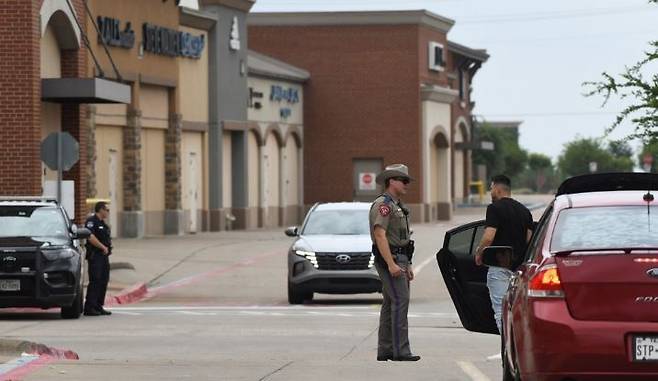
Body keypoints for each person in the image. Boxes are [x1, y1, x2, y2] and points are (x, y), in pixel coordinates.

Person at [370, 164, 420, 362]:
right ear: (391, 181)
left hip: (400, 258)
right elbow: (379, 234)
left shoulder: (397, 205)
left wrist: (407, 264)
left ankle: (385, 350)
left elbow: (403, 239)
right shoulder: (384, 205)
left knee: (390, 303)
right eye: (404, 180)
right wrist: (391, 264)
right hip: (390, 258)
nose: (407, 184)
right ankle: (401, 351)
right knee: (400, 301)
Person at [475, 175, 533, 334]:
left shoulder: (494, 208)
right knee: (518, 312)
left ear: (498, 189)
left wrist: (479, 253)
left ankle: (507, 352)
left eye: (491, 188)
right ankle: (517, 351)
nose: (490, 191)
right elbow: (529, 240)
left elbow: (488, 237)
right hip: (519, 270)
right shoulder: (525, 211)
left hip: (498, 268)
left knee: (501, 313)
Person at [84, 201, 113, 317]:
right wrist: (102, 247)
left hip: (104, 256)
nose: (108, 212)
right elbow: (90, 236)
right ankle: (90, 307)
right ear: (100, 209)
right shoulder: (92, 222)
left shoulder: (102, 223)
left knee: (103, 280)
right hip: (95, 256)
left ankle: (98, 305)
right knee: (95, 280)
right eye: (107, 210)